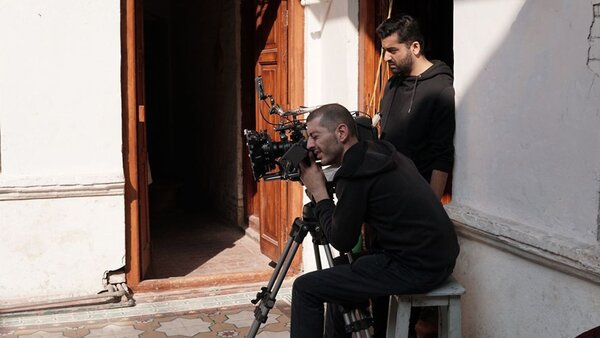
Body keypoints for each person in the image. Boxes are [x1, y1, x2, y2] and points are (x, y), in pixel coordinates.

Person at [292, 103, 459, 338]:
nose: (309, 145)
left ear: (341, 133)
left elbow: (342, 240)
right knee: (339, 272)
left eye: (315, 136)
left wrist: (319, 192)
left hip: (417, 267)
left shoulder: (356, 172)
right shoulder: (380, 152)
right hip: (439, 257)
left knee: (305, 288)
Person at [377, 15, 456, 200]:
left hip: (416, 201)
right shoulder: (391, 84)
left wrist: (432, 209)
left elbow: (443, 155)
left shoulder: (440, 89)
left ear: (415, 47)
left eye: (392, 50)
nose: (386, 57)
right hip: (386, 195)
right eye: (385, 51)